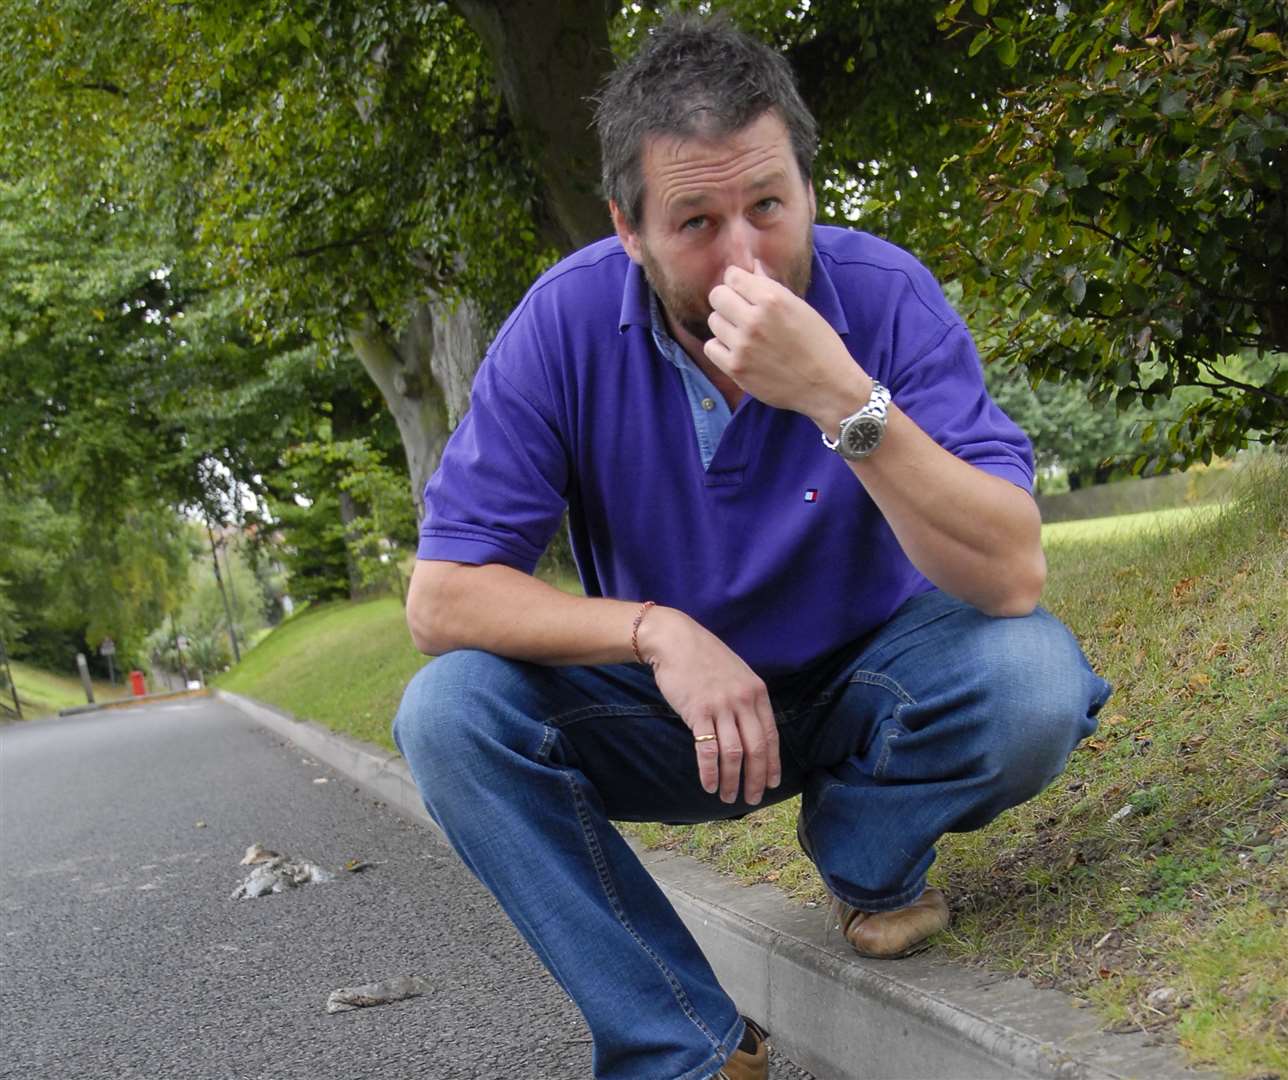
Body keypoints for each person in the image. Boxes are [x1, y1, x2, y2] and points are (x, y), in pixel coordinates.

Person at [394, 15, 1110, 1080]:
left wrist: (835, 393)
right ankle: (685, 1048)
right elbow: (441, 598)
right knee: (448, 714)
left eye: (768, 205)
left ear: (806, 188)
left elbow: (1009, 572)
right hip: (678, 717)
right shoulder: (560, 325)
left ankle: (866, 855)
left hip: (878, 680)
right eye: (695, 221)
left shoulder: (883, 294)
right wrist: (652, 632)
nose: (745, 254)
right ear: (626, 228)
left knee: (1032, 681)